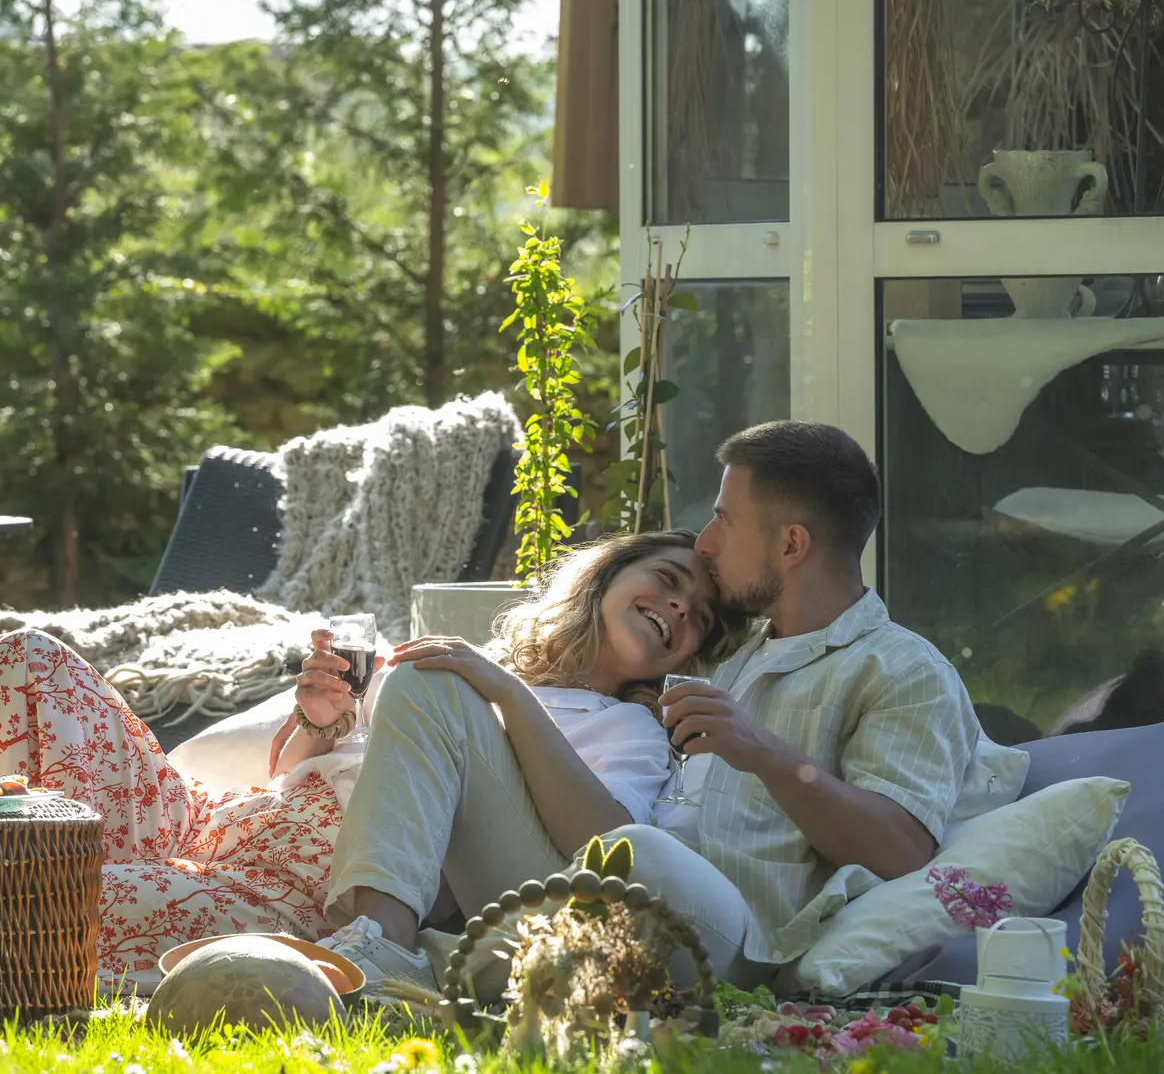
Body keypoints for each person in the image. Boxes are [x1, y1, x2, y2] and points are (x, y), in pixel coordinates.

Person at [320, 421, 999, 992]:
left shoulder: (900, 669)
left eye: (726, 521)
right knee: (433, 678)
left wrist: (763, 754)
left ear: (791, 545)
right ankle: (380, 959)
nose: (705, 542)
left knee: (636, 853)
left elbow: (907, 850)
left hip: (731, 936)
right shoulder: (730, 646)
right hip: (597, 882)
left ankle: (451, 964)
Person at [0, 528, 744, 993]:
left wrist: (505, 698)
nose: (679, 606)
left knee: (32, 897)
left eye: (699, 615)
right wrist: (320, 727)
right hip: (217, 820)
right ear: (605, 575)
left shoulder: (625, 729)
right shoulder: (472, 663)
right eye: (668, 579)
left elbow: (607, 846)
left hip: (296, 891)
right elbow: (314, 776)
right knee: (21, 655)